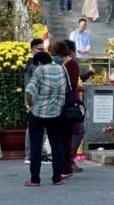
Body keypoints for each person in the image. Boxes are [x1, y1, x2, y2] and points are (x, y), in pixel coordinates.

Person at [24, 51, 66, 186]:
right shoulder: (62, 69)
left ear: (39, 62)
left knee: (36, 146)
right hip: (57, 113)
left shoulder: (40, 70)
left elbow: (29, 91)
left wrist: (30, 106)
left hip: (38, 114)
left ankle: (35, 179)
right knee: (57, 146)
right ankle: (57, 178)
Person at [50, 41, 80, 179]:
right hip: (60, 103)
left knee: (66, 138)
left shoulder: (71, 64)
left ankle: (67, 167)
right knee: (61, 138)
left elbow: (73, 84)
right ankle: (63, 166)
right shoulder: (61, 65)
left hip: (68, 104)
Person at [24, 39, 50, 165]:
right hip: (33, 99)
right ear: (33, 49)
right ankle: (31, 154)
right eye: (39, 49)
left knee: (41, 129)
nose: (42, 52)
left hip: (39, 99)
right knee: (33, 129)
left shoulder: (35, 63)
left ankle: (40, 153)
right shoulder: (32, 63)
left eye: (43, 50)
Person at [63, 39, 85, 174]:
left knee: (67, 132)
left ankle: (66, 159)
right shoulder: (72, 63)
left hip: (62, 101)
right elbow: (73, 84)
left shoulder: (60, 63)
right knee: (78, 130)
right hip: (72, 103)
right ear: (71, 51)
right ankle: (69, 159)